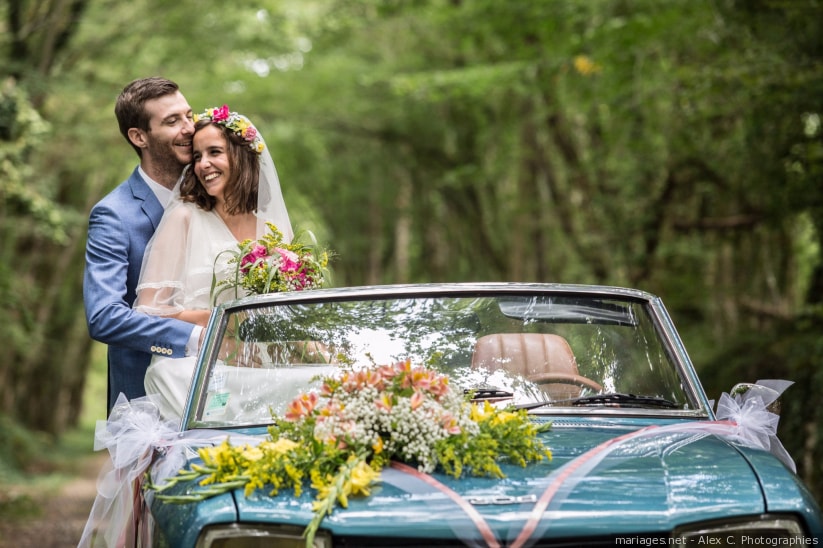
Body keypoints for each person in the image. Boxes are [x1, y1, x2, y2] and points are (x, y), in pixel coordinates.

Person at [134, 105, 293, 419]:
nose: (203, 165)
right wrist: (221, 320)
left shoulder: (274, 232)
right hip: (194, 360)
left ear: (242, 157)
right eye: (196, 156)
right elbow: (148, 312)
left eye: (214, 152)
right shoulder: (184, 219)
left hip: (257, 361)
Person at [83, 77, 200, 415]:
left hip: (219, 399)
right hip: (147, 405)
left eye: (189, 116)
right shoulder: (114, 214)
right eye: (172, 121)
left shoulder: (218, 200)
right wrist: (192, 338)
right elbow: (104, 317)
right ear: (139, 137)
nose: (189, 128)